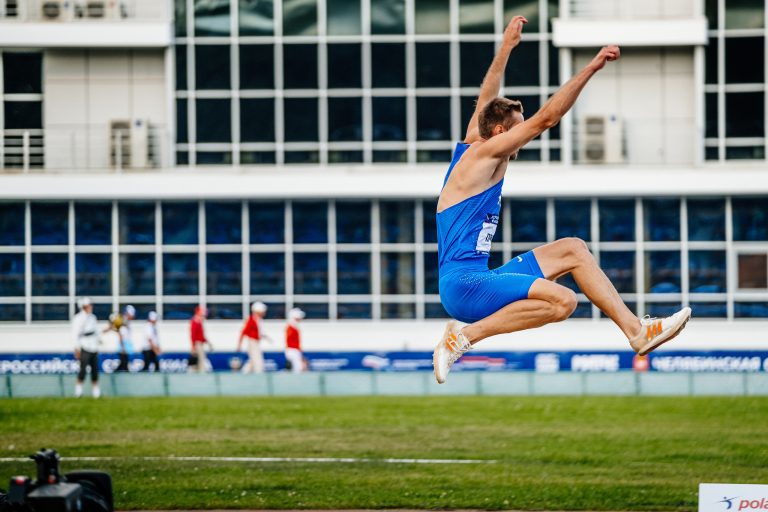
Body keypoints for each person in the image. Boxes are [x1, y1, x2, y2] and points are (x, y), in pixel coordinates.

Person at [432, 16, 691, 384]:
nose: (524, 134)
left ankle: (636, 332)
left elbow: (487, 98)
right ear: (502, 132)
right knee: (564, 301)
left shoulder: (475, 143)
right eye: (517, 128)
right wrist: (592, 66)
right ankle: (463, 337)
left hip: (475, 277)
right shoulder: (484, 155)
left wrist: (506, 47)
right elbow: (546, 119)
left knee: (574, 249)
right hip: (465, 287)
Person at [72, 297, 105, 398]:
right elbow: (75, 334)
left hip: (93, 346)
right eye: (89, 305)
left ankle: (96, 391)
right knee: (83, 369)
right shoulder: (78, 318)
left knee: (95, 370)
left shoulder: (93, 317)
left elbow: (96, 331)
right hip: (84, 345)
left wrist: (99, 340)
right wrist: (76, 348)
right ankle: (78, 390)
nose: (91, 307)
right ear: (84, 306)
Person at [237, 302, 272, 373]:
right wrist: (239, 345)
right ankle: (259, 374)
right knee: (258, 360)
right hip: (252, 342)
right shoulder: (251, 320)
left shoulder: (258, 320)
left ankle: (243, 374)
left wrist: (267, 338)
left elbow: (260, 332)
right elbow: (243, 332)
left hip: (256, 342)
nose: (264, 313)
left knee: (252, 362)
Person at [189, 305, 211, 373]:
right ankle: (200, 372)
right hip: (197, 344)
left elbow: (201, 336)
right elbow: (193, 336)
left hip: (200, 343)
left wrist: (208, 343)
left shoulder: (199, 322)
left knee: (199, 359)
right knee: (200, 359)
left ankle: (198, 371)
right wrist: (193, 346)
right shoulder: (195, 322)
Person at [284, 307, 306, 373]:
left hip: (294, 350)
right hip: (292, 350)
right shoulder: (291, 327)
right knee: (296, 368)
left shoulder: (294, 326)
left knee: (297, 368)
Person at [115, 305, 136, 372]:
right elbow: (120, 334)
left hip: (125, 345)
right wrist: (123, 347)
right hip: (123, 346)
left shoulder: (127, 322)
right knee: (124, 363)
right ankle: (113, 377)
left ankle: (113, 377)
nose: (132, 316)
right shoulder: (122, 321)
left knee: (124, 363)